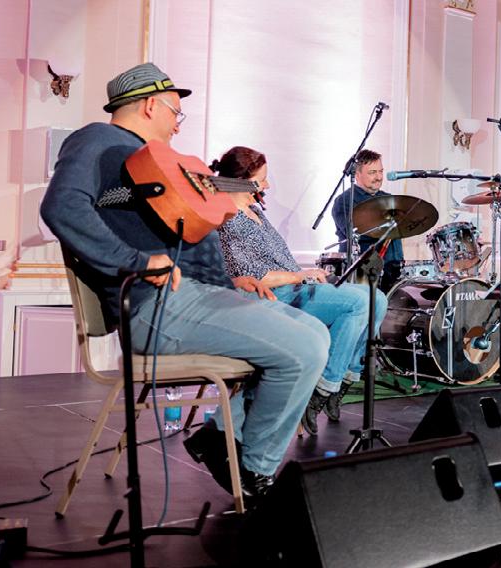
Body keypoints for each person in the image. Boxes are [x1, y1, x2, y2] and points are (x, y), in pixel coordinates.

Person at [39, 63, 329, 502]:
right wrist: (135, 261)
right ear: (150, 105)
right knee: (303, 347)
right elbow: (61, 206)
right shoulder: (97, 139)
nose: (178, 124)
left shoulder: (154, 162)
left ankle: (220, 438)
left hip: (194, 297)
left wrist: (233, 282)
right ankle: (255, 470)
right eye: (176, 112)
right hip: (154, 305)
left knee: (315, 332)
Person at [211, 146, 388, 435]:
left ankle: (341, 382)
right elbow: (253, 276)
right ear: (242, 181)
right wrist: (300, 275)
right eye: (262, 180)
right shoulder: (228, 218)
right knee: (359, 304)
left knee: (377, 299)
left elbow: (278, 260)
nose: (267, 185)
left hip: (295, 287)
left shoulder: (254, 211)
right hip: (275, 297)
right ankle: (323, 389)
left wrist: (305, 276)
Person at [332, 149, 404, 292]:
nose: (379, 177)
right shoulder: (345, 201)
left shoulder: (389, 199)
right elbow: (355, 233)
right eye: (372, 172)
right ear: (357, 175)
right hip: (363, 274)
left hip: (394, 271)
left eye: (380, 171)